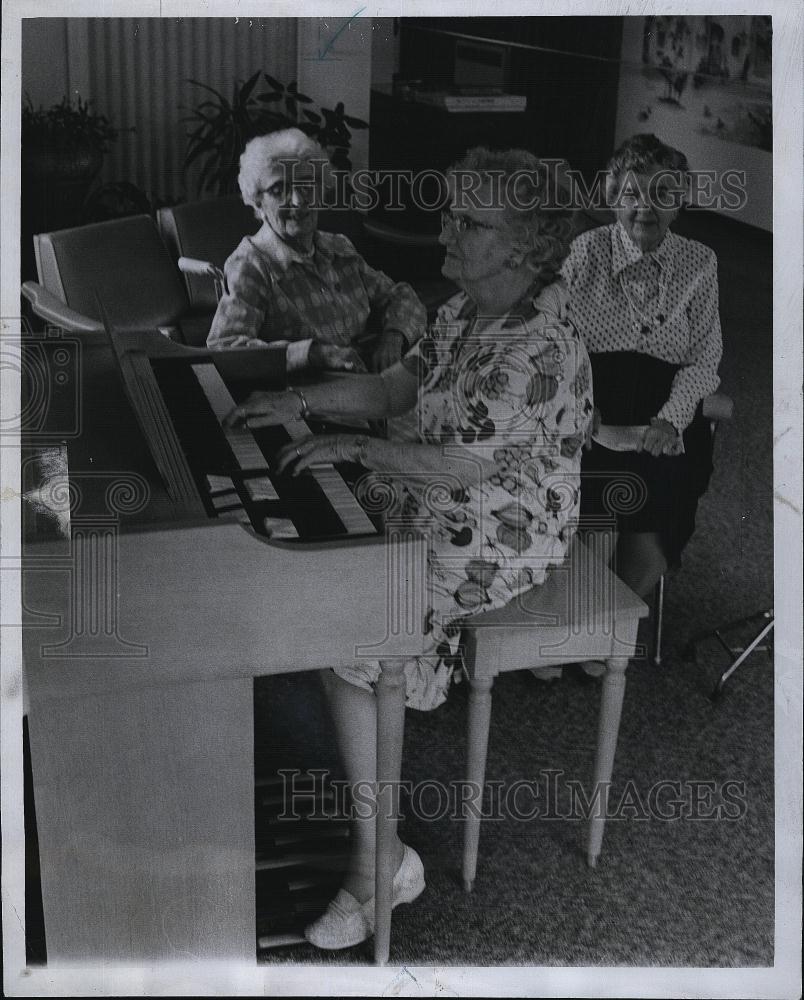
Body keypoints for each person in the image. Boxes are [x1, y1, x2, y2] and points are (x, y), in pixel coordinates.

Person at [225, 147, 594, 949]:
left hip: (506, 524)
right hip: (440, 488)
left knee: (356, 621)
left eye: (471, 221)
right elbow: (397, 391)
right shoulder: (462, 309)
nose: (445, 230)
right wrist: (297, 398)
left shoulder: (541, 342)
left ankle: (377, 865)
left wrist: (352, 451)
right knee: (324, 567)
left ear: (525, 246)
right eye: (450, 211)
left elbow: (467, 462)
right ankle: (374, 835)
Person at [563, 133, 723, 600]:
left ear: (680, 203)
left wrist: (669, 420)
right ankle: (578, 618)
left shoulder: (701, 262)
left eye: (663, 194)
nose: (645, 207)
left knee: (650, 549)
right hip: (594, 403)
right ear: (613, 198)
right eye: (633, 193)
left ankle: (607, 622)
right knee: (595, 532)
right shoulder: (586, 251)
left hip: (664, 414)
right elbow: (557, 338)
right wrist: (576, 401)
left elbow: (705, 358)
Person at [207, 128, 426, 372]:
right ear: (258, 200)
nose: (298, 201)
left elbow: (401, 297)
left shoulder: (339, 248)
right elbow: (225, 350)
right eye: (279, 190)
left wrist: (393, 337)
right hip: (311, 392)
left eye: (306, 186)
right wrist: (311, 354)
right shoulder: (252, 265)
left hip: (370, 381)